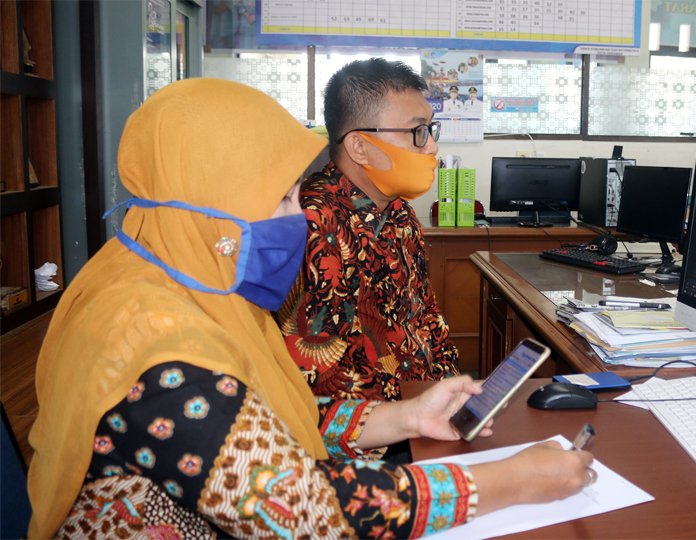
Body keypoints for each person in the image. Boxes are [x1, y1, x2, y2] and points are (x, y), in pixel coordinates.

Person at [26, 78, 594, 538]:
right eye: (281, 195)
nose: (299, 213)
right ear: (212, 206)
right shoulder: (156, 343)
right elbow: (296, 506)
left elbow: (275, 419)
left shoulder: (193, 285)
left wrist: (405, 417)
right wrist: (508, 482)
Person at [278, 59, 460, 402]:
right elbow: (324, 375)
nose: (432, 147)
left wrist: (452, 390)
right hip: (370, 421)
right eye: (417, 132)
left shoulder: (400, 212)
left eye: (430, 130)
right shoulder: (313, 224)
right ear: (359, 146)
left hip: (425, 401)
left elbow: (427, 318)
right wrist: (412, 414)